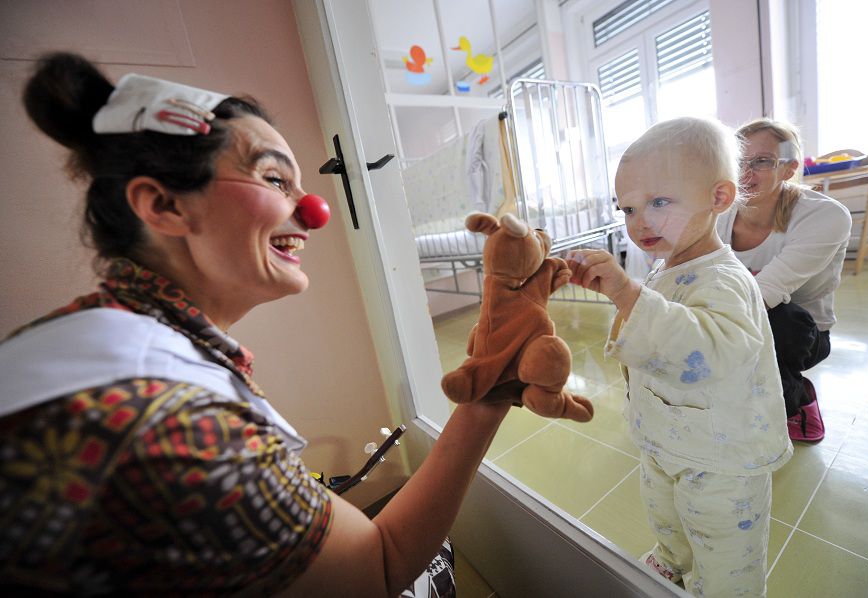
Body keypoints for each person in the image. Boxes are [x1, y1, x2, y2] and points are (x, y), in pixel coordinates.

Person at [0, 52, 516, 596]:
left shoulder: (80, 334)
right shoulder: (185, 428)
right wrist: (487, 396)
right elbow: (378, 572)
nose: (315, 209)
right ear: (164, 206)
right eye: (274, 178)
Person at [566, 117, 792, 596]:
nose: (639, 220)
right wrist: (628, 297)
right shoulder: (665, 268)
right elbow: (650, 338)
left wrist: (628, 294)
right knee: (666, 516)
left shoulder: (726, 280)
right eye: (627, 207)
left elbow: (705, 352)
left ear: (719, 198)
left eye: (659, 202)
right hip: (667, 440)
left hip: (722, 456)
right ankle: (671, 560)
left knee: (726, 553)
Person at [716, 118, 852, 443]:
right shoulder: (719, 215)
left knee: (778, 320)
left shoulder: (825, 215)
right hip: (737, 317)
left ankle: (797, 396)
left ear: (789, 168)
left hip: (802, 334)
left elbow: (763, 295)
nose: (744, 173)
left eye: (761, 161)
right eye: (736, 162)